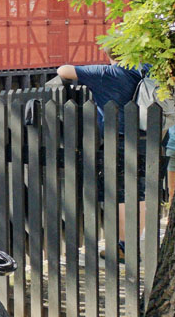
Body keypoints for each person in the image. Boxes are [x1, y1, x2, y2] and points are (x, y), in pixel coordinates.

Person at [57, 46, 150, 262]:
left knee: (119, 194)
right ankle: (136, 241)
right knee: (141, 192)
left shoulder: (106, 73)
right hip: (147, 137)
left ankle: (123, 248)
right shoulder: (145, 70)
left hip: (118, 138)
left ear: (108, 54)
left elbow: (63, 70)